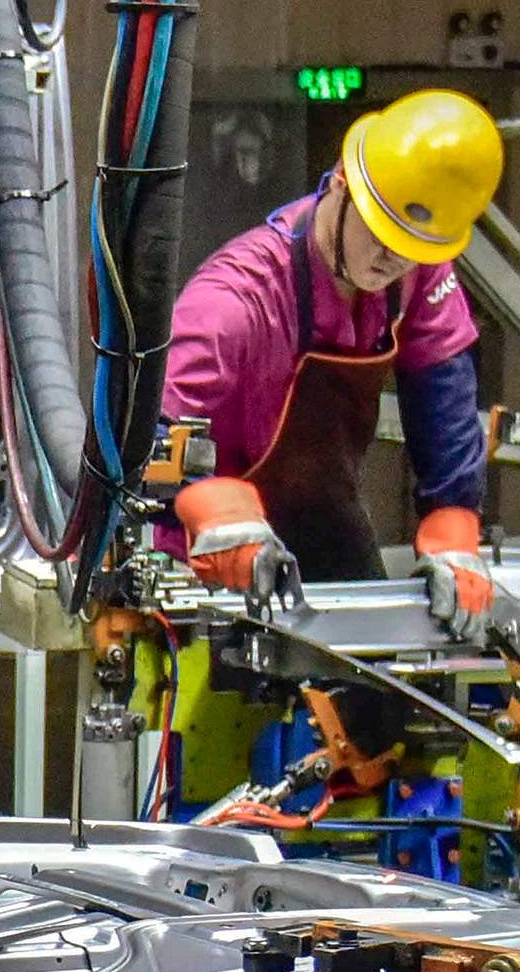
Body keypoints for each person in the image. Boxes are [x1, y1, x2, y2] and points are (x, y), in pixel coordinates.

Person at [165, 86, 511, 630]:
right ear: (342, 185)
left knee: (374, 704)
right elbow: (157, 439)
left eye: (413, 247)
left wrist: (452, 523)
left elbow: (444, 399)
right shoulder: (231, 301)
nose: (391, 259)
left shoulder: (416, 270)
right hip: (206, 547)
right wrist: (215, 510)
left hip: (323, 524)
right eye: (380, 233)